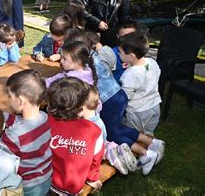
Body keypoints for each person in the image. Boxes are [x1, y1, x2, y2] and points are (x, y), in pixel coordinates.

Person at [63, 28, 165, 176]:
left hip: (108, 103)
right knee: (118, 127)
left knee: (112, 133)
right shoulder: (94, 57)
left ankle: (145, 154)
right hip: (119, 95)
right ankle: (152, 142)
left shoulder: (83, 69)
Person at [46, 77, 104, 194]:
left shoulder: (44, 123)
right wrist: (92, 177)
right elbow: (96, 158)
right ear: (81, 106)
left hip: (48, 180)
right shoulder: (94, 130)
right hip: (74, 186)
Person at [0, 70, 52, 196]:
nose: (8, 99)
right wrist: (1, 115)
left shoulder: (14, 134)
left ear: (21, 101)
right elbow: (20, 121)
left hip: (28, 185)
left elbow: (0, 159)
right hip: (46, 176)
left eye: (10, 96)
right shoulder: (44, 117)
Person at [118, 32, 161, 135]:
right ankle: (153, 147)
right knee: (148, 132)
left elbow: (126, 96)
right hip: (154, 106)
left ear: (132, 55)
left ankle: (139, 150)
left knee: (136, 135)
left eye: (120, 52)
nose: (119, 54)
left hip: (138, 111)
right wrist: (131, 65)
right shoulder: (152, 62)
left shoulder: (129, 74)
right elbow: (153, 75)